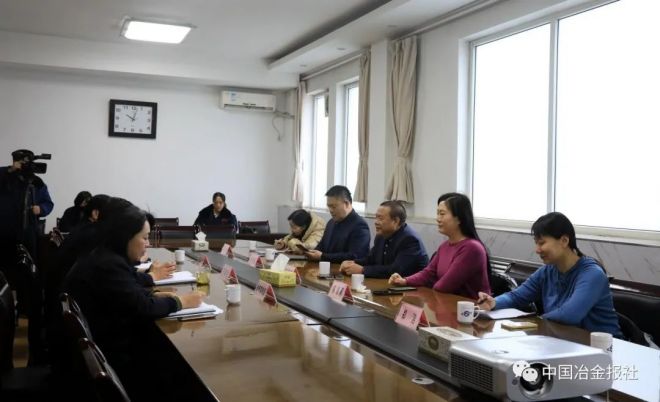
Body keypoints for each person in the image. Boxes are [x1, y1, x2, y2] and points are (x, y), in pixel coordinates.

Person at [63, 203, 203, 401]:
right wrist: (181, 301)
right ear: (125, 237)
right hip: (115, 354)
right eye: (144, 238)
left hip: (104, 341)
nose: (148, 244)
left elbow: (129, 289)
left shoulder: (107, 256)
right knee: (177, 366)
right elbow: (143, 308)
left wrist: (153, 295)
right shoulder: (109, 264)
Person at [477, 212, 622, 337]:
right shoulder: (547, 271)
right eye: (536, 243)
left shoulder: (592, 274)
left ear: (564, 241)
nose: (537, 249)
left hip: (603, 348)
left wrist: (533, 321)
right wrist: (494, 302)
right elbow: (517, 296)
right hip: (564, 341)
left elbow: (569, 315)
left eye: (542, 243)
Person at [0, 149, 54, 364]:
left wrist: (40, 209)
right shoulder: (3, 176)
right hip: (3, 238)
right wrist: (11, 171)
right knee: (4, 281)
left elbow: (48, 203)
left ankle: (24, 312)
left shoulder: (36, 182)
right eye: (20, 162)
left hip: (28, 236)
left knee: (29, 283)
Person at [389, 193, 491, 299]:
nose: (438, 218)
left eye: (442, 214)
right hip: (446, 302)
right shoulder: (444, 246)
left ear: (459, 219)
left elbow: (445, 286)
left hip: (469, 307)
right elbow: (428, 273)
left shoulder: (472, 248)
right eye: (437, 213)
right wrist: (404, 281)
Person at [340, 201, 428, 278]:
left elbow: (396, 270)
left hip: (414, 288)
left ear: (396, 221)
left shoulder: (410, 240)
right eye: (376, 217)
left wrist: (362, 270)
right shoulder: (381, 235)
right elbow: (371, 259)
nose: (376, 222)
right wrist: (352, 263)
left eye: (380, 218)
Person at [304, 185, 370, 263]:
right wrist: (311, 252)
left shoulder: (360, 226)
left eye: (334, 206)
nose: (330, 210)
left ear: (346, 204)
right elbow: (322, 246)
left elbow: (354, 256)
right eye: (329, 206)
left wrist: (323, 256)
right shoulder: (331, 222)